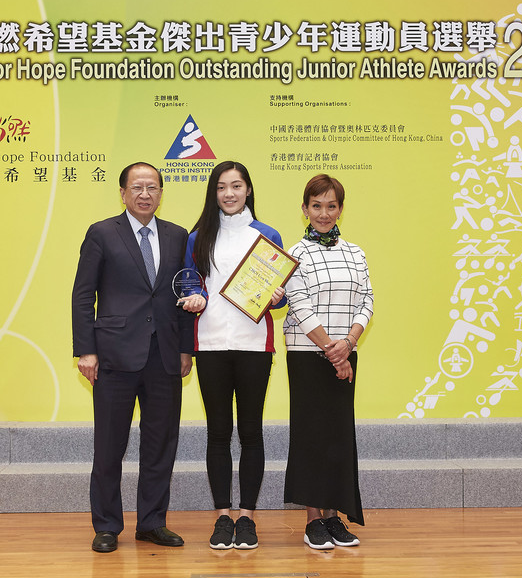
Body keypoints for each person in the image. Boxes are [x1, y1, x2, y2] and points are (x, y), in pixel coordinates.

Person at [72, 161, 200, 553]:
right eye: (137, 187)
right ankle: (107, 525)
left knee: (161, 444)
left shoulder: (178, 236)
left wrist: (184, 349)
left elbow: (183, 296)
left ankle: (152, 523)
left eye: (153, 187)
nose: (145, 194)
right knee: (110, 444)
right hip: (113, 355)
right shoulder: (101, 233)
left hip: (163, 356)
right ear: (123, 192)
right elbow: (82, 295)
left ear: (161, 193)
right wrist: (86, 350)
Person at [178, 160, 286, 550]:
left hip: (255, 345)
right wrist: (193, 298)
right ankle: (222, 515)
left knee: (252, 432)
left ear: (248, 190)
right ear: (214, 192)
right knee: (218, 433)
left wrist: (279, 297)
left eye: (236, 186)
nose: (229, 193)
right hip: (211, 344)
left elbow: (280, 290)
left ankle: (248, 517)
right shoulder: (198, 236)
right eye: (222, 187)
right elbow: (193, 283)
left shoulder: (267, 233)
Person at [282, 174, 374, 550]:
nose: (324, 213)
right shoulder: (294, 254)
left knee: (338, 439)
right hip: (308, 356)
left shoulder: (356, 253)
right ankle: (312, 521)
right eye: (316, 205)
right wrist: (332, 352)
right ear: (305, 209)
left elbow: (366, 300)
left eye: (331, 205)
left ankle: (334, 517)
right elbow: (300, 306)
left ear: (340, 208)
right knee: (311, 437)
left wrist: (348, 344)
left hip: (344, 355)